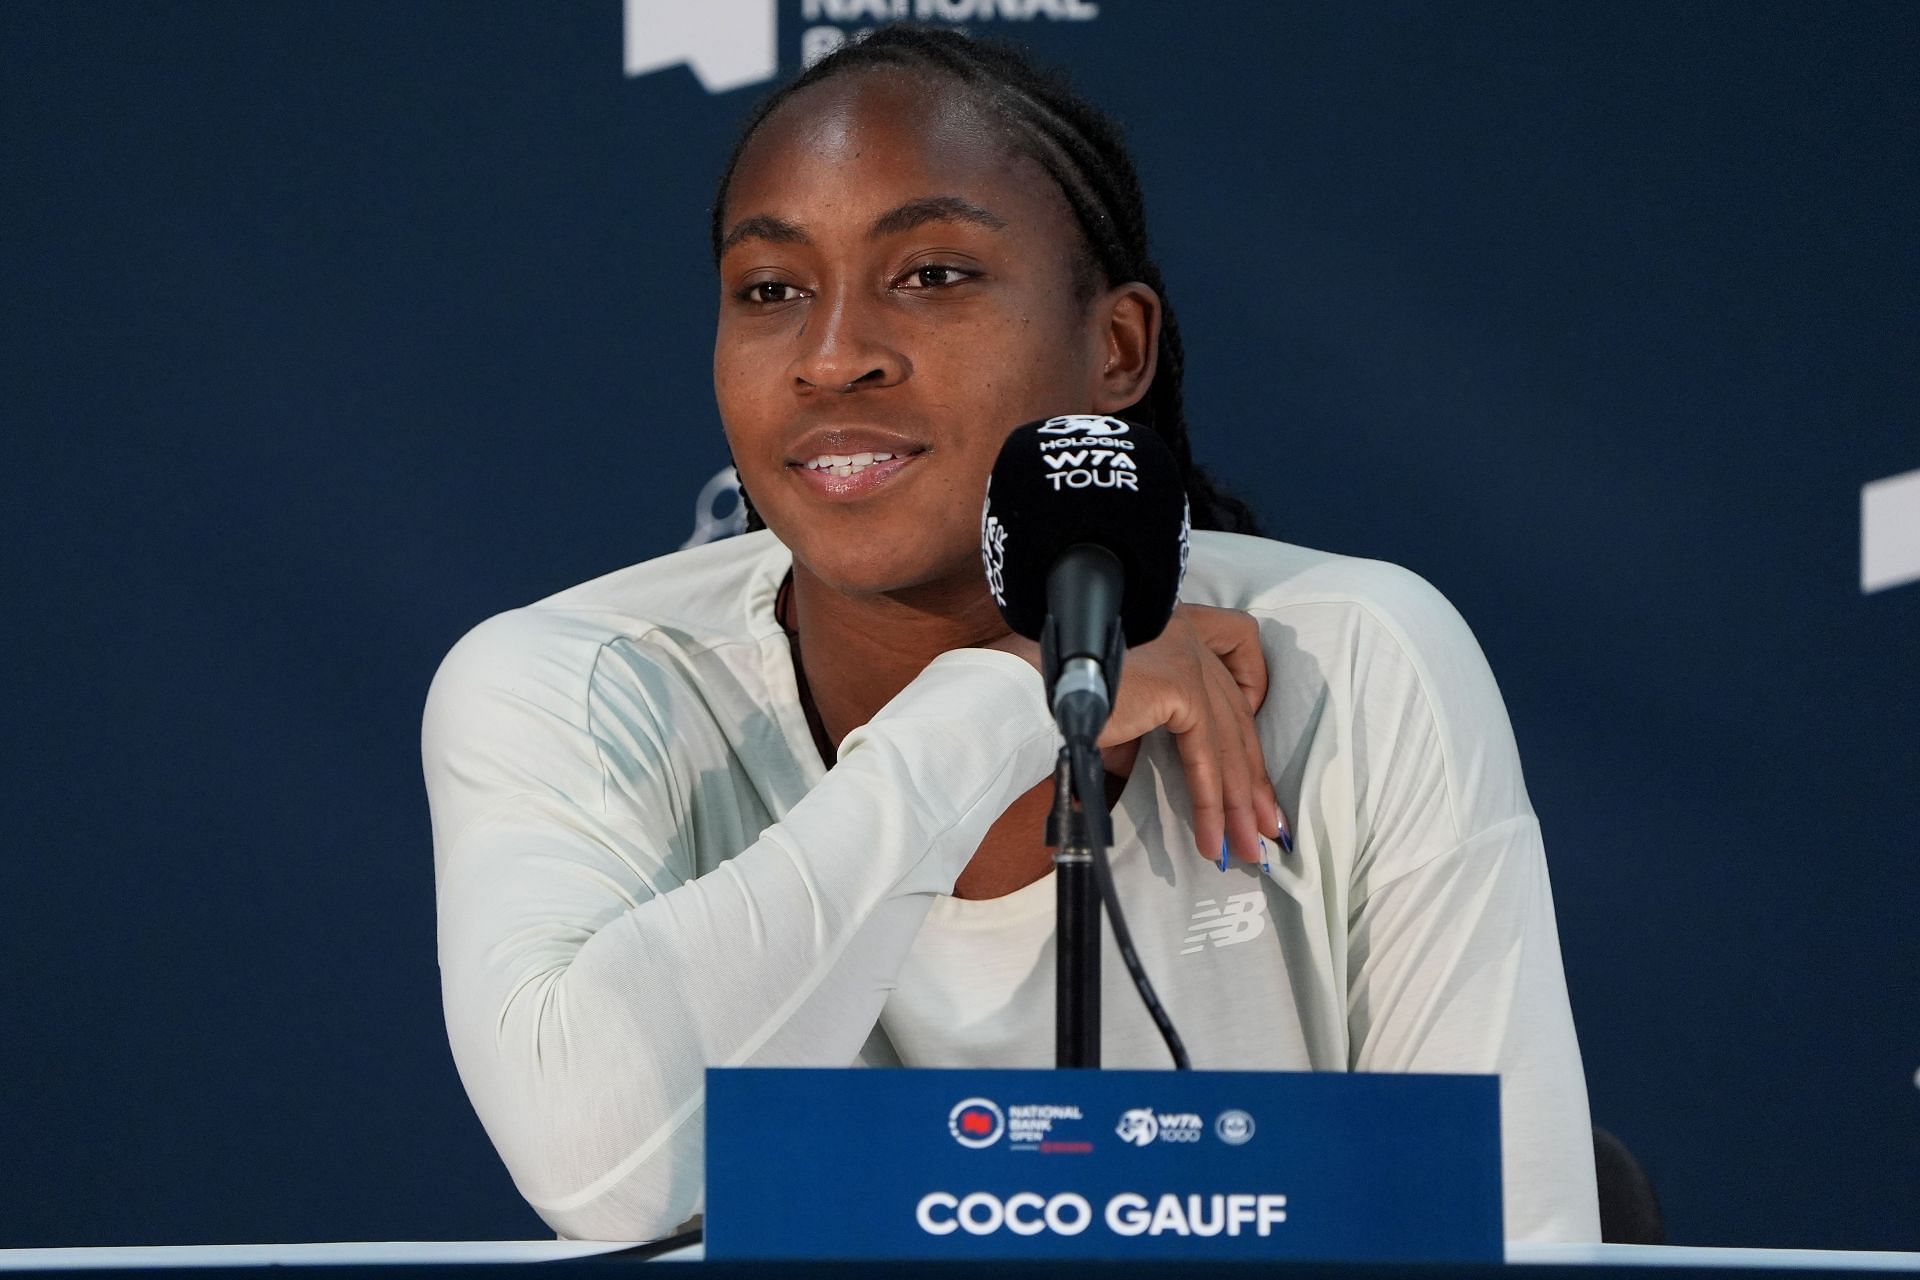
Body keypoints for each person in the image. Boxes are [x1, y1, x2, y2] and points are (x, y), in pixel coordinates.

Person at [423, 25, 1600, 1244]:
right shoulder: (573, 684)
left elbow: (1512, 1234)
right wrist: (1003, 697)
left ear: (1117, 348)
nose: (833, 357)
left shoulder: (1350, 661)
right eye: (771, 290)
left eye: (933, 274)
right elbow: (605, 1169)